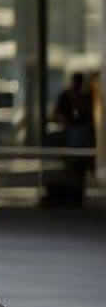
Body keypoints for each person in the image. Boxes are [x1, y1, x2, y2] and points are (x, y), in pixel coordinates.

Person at [48, 72, 95, 207]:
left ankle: (78, 194)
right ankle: (73, 194)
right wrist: (65, 123)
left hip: (82, 134)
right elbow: (57, 113)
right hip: (72, 133)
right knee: (71, 164)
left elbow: (89, 115)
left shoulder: (85, 97)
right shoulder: (66, 96)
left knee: (80, 166)